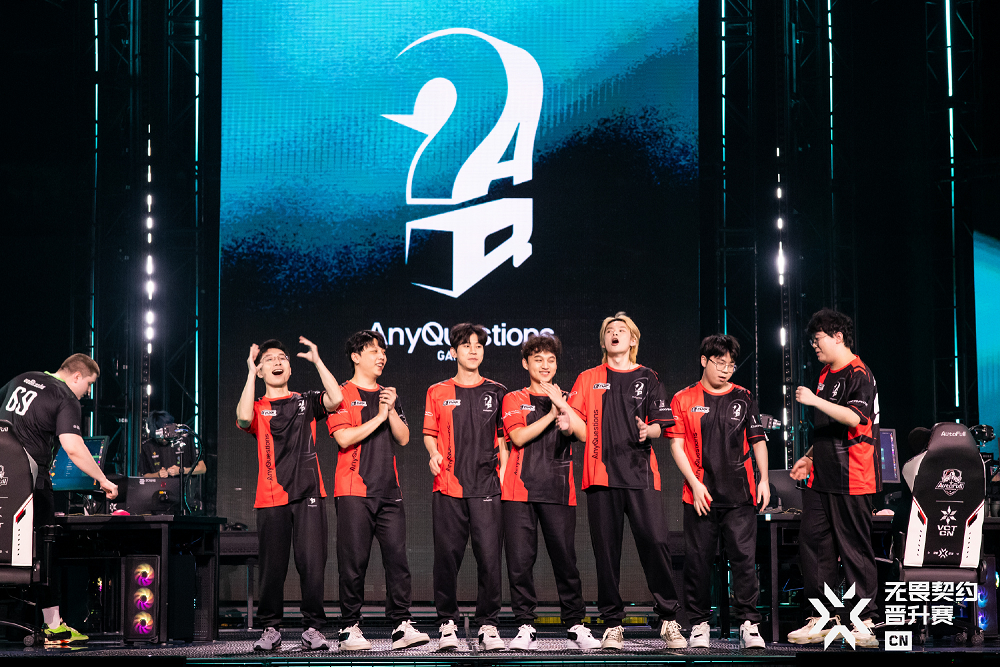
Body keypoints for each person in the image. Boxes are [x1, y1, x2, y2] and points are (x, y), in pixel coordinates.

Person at [562, 312, 684, 650]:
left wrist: (649, 430)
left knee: (656, 542)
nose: (615, 334)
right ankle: (612, 624)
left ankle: (669, 619)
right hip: (600, 476)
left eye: (622, 330)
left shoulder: (648, 377)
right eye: (609, 331)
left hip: (640, 474)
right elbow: (575, 422)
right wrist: (566, 421)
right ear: (604, 341)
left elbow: (660, 425)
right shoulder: (588, 378)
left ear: (632, 340)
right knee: (606, 554)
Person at [0, 353, 118, 644]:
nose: (87, 392)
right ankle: (54, 626)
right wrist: (103, 480)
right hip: (30, 485)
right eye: (88, 384)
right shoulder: (64, 397)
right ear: (76, 376)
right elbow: (73, 447)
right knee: (46, 551)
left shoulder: (21, 378)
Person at [236, 337, 343, 651]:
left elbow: (336, 399)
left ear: (290, 367)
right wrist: (249, 371)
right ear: (260, 371)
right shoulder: (258, 407)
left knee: (312, 564)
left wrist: (318, 360)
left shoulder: (305, 401)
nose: (277, 362)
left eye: (282, 358)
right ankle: (271, 629)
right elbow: (243, 418)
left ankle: (313, 629)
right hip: (271, 496)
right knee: (272, 568)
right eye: (269, 360)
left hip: (309, 492)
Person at [326, 330, 429, 651]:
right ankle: (349, 628)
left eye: (383, 351)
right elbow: (344, 438)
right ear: (356, 356)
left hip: (389, 490)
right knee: (353, 563)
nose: (381, 356)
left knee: (397, 560)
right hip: (353, 489)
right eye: (373, 351)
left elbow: (404, 437)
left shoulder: (388, 395)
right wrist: (380, 417)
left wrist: (391, 410)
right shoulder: (341, 393)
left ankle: (401, 625)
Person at [500, 334, 602, 651]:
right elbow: (518, 438)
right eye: (538, 359)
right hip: (518, 491)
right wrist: (550, 413)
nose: (545, 365)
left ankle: (575, 625)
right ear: (525, 363)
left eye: (551, 360)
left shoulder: (568, 398)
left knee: (566, 561)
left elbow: (581, 433)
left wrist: (563, 405)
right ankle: (525, 626)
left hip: (559, 491)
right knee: (520, 563)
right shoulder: (513, 398)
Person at [666, 334, 768, 650]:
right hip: (700, 495)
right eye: (719, 363)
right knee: (697, 562)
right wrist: (695, 484)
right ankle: (699, 624)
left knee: (744, 561)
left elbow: (758, 440)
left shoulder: (744, 397)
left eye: (730, 365)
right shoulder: (683, 398)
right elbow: (676, 446)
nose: (725, 370)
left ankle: (749, 624)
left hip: (740, 495)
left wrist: (764, 479)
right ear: (704, 361)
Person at [788, 309, 880, 647]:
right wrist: (809, 457)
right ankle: (822, 616)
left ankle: (865, 620)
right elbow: (828, 427)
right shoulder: (826, 373)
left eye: (818, 339)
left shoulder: (859, 373)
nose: (814, 345)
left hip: (852, 475)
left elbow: (854, 418)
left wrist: (814, 400)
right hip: (821, 477)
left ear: (838, 337)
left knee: (854, 549)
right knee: (814, 544)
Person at [423, 323, 507, 651]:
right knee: (446, 558)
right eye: (466, 345)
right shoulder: (437, 391)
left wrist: (504, 474)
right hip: (447, 487)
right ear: (453, 352)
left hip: (487, 486)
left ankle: (489, 625)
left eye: (478, 345)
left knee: (490, 558)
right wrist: (433, 454)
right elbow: (429, 434)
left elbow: (503, 440)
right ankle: (447, 623)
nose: (473, 350)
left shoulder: (498, 391)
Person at [139, 411, 207, 511]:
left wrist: (181, 470)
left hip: (185, 498)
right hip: (159, 501)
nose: (163, 439)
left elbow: (202, 468)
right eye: (159, 437)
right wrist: (158, 474)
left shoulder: (185, 440)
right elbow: (143, 476)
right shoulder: (147, 446)